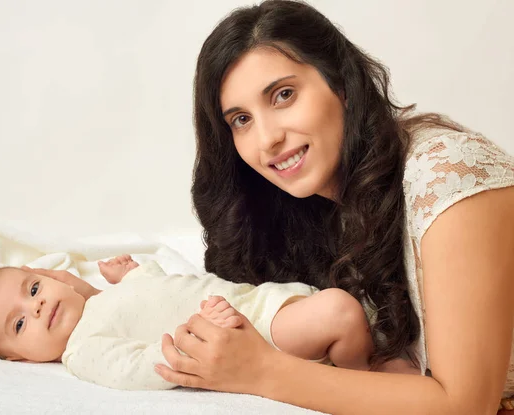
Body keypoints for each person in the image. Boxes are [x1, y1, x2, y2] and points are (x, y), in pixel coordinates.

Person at [153, 1, 514, 413]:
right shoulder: (310, 211)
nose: (266, 139)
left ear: (341, 84)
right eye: (240, 120)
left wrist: (261, 371)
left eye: (283, 95)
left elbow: (466, 405)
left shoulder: (450, 175)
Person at [0, 254, 402, 391]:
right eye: (19, 325)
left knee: (355, 309)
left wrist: (126, 274)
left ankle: (368, 360)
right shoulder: (83, 351)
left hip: (259, 299)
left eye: (33, 289)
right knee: (340, 311)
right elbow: (139, 367)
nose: (36, 308)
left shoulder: (103, 300)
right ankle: (362, 383)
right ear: (20, 359)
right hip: (249, 333)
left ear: (53, 277)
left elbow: (154, 289)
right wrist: (193, 337)